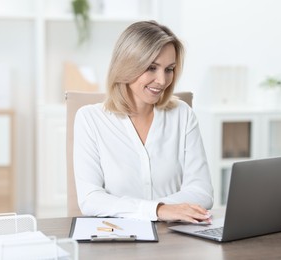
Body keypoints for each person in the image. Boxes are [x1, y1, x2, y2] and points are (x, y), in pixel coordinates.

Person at [73, 20, 213, 223]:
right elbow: (91, 200)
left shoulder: (183, 115)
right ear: (126, 66)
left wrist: (155, 210)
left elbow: (202, 191)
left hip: (174, 239)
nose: (163, 81)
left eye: (169, 69)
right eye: (151, 68)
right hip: (118, 240)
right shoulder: (89, 119)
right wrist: (158, 210)